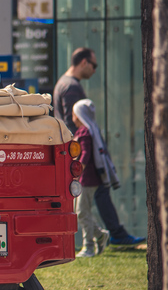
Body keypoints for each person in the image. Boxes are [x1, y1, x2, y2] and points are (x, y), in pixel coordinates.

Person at [53, 47, 145, 247]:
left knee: (87, 199)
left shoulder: (63, 83)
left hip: (75, 151)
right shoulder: (71, 87)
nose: (95, 70)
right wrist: (82, 152)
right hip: (80, 152)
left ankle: (106, 234)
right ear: (84, 63)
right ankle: (113, 234)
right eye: (93, 65)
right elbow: (74, 122)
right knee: (96, 193)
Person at [71, 100, 111, 257]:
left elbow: (86, 153)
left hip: (86, 179)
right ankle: (100, 235)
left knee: (81, 211)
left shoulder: (85, 133)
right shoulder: (84, 131)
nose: (72, 117)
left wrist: (78, 170)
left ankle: (88, 246)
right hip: (84, 179)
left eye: (74, 113)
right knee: (82, 211)